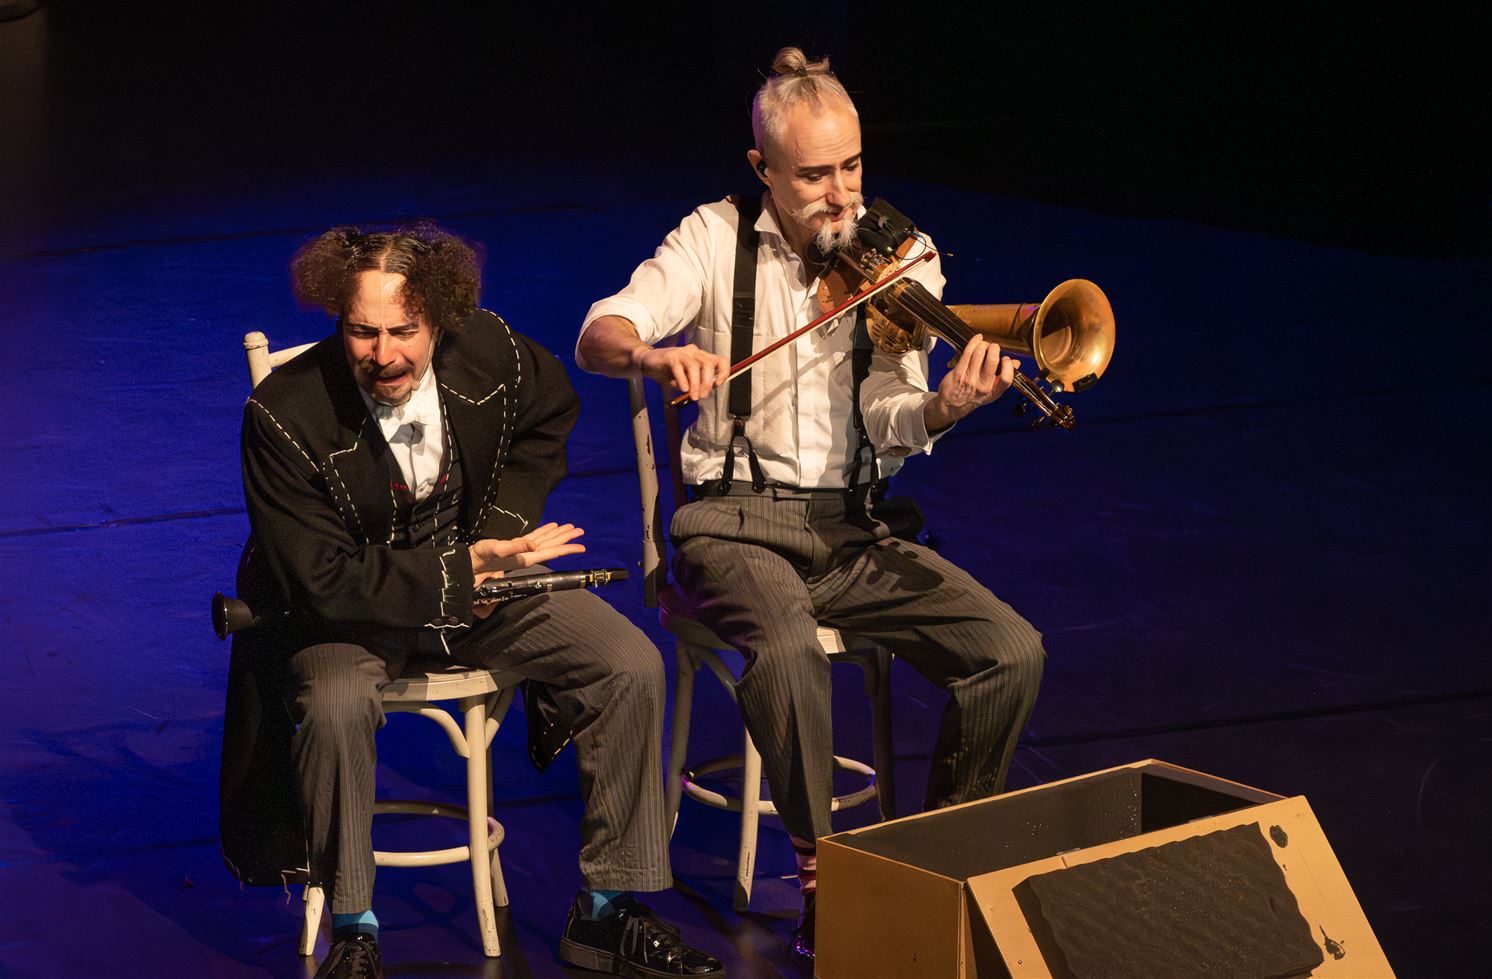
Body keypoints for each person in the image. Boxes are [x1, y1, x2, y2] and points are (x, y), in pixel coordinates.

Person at [575, 48, 1047, 958]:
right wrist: (652, 355)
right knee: (788, 651)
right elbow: (603, 329)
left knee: (1010, 652)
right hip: (732, 524)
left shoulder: (902, 255)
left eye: (853, 168)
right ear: (764, 169)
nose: (842, 196)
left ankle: (934, 867)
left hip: (854, 529)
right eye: (815, 175)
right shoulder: (712, 237)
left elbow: (891, 412)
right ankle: (827, 876)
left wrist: (945, 407)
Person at [219, 224, 722, 979]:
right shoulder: (283, 414)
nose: (383, 353)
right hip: (349, 613)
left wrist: (495, 540)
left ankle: (607, 911)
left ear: (437, 319)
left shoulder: (486, 349)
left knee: (627, 663)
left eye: (403, 331)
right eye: (362, 331)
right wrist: (458, 573)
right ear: (337, 318)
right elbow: (320, 578)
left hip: (481, 577)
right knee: (334, 703)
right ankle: (354, 930)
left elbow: (549, 413)